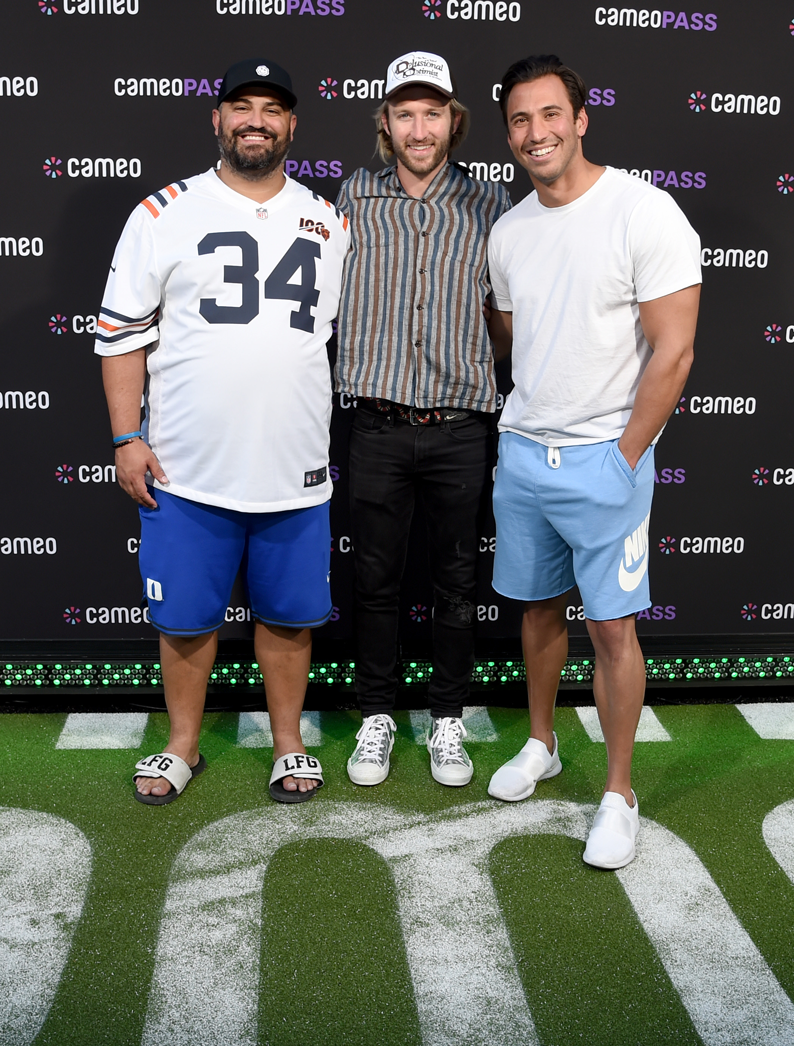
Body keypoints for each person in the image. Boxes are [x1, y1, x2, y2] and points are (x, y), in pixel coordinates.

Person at [95, 59, 350, 806]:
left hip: (294, 466)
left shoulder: (330, 220)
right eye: (242, 106)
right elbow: (120, 336)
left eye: (273, 109)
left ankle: (289, 742)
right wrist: (125, 437)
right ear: (216, 118)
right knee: (185, 621)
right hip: (186, 467)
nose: (257, 121)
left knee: (292, 618)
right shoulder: (163, 211)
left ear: (293, 125)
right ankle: (183, 744)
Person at [481, 55, 701, 869]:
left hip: (606, 457)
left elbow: (673, 352)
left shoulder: (644, 211)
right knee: (538, 612)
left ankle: (618, 793)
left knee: (611, 629)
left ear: (581, 118)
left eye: (549, 115)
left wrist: (626, 456)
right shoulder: (508, 231)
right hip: (523, 452)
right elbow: (511, 341)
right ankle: (540, 744)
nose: (535, 134)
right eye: (519, 121)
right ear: (508, 134)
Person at [336, 51, 511, 789]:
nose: (418, 126)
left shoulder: (489, 205)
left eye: (431, 112)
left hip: (460, 426)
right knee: (373, 579)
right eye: (404, 112)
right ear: (385, 122)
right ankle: (377, 714)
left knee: (456, 580)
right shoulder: (351, 196)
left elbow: (508, 313)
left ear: (454, 121)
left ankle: (446, 719)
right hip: (375, 423)